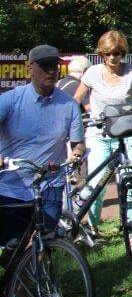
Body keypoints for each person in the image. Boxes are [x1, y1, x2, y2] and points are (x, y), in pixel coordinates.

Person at [73, 30, 132, 234]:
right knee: (97, 184)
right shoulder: (93, 73)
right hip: (99, 136)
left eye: (117, 53)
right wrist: (70, 119)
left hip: (126, 136)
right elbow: (76, 99)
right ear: (101, 54)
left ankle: (131, 226)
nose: (113, 57)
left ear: (122, 53)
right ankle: (92, 226)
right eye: (108, 53)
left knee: (129, 180)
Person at [0, 45, 86, 245]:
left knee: (44, 243)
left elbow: (78, 143)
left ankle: (38, 274)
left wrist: (77, 154)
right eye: (45, 66)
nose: (51, 71)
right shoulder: (10, 100)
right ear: (30, 68)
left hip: (49, 185)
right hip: (10, 187)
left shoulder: (69, 105)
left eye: (55, 66)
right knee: (14, 246)